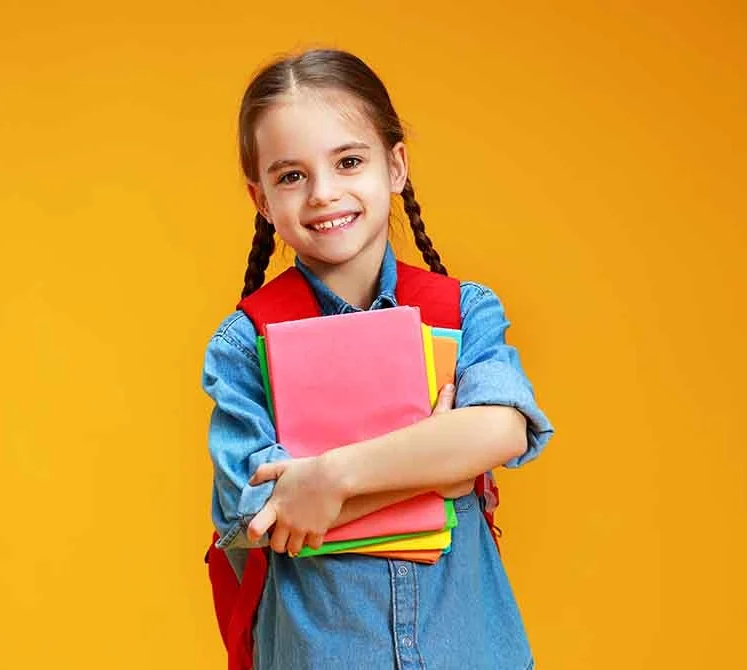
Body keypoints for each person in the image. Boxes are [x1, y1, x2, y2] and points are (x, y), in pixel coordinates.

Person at [202, 47, 554, 669]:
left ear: (395, 166)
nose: (323, 194)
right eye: (291, 176)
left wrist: (331, 479)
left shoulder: (463, 311)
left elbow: (502, 427)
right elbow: (260, 516)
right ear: (262, 200)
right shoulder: (243, 346)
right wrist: (436, 473)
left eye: (348, 162)